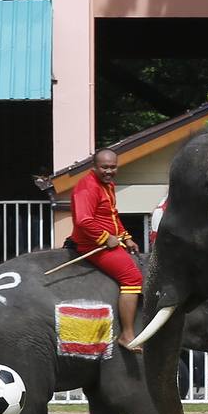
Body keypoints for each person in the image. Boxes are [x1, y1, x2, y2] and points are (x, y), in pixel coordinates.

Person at [69, 148, 142, 350]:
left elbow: (111, 215)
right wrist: (105, 237)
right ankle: (126, 335)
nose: (109, 171)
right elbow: (83, 220)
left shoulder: (107, 185)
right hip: (92, 244)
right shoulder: (87, 187)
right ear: (95, 167)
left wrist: (126, 237)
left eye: (113, 167)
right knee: (133, 278)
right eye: (104, 167)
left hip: (108, 242)